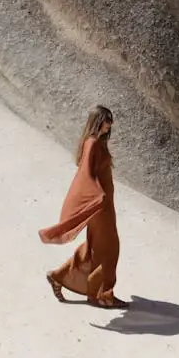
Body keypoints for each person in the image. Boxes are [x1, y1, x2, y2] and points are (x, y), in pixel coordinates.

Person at [39, 105, 128, 309]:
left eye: (111, 120)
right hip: (100, 206)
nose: (110, 124)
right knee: (109, 249)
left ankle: (58, 276)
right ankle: (102, 294)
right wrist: (99, 197)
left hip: (105, 205)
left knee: (94, 250)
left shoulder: (98, 142)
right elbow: (85, 174)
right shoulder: (93, 143)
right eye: (107, 120)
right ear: (97, 120)